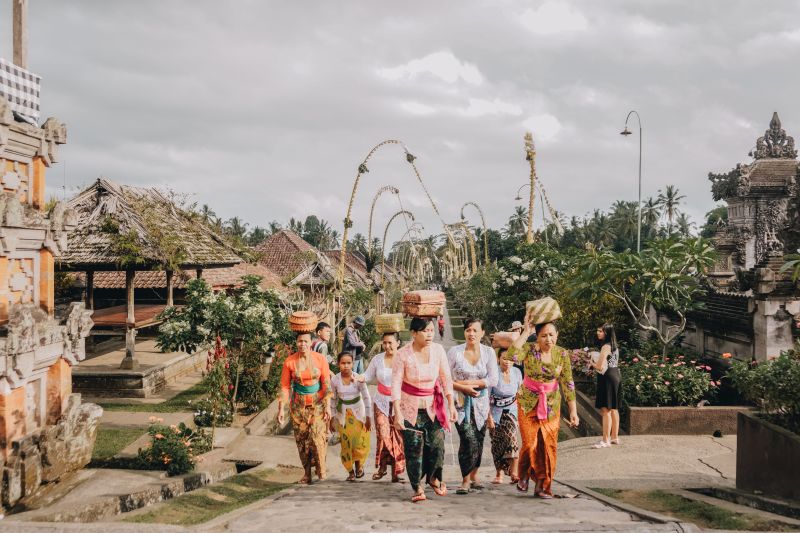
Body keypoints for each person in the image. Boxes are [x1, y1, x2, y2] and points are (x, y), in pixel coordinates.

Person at [506, 307, 579, 498]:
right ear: (537, 337)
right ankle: (523, 475)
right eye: (544, 335)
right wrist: (526, 332)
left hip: (551, 406)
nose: (549, 339)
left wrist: (573, 411)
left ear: (557, 335)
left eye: (552, 335)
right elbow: (511, 356)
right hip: (528, 402)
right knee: (530, 443)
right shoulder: (529, 350)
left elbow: (568, 383)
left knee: (547, 447)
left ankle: (542, 486)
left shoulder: (562, 354)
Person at [392, 317, 457, 503]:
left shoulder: (438, 351)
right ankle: (417, 487)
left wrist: (451, 404)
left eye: (431, 330)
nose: (429, 334)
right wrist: (397, 412)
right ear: (413, 333)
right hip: (409, 409)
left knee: (437, 446)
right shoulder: (403, 354)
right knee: (413, 450)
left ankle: (434, 478)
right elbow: (395, 384)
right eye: (424, 331)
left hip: (433, 408)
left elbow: (446, 379)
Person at [447, 318, 498, 494]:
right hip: (461, 402)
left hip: (481, 403)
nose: (472, 334)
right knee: (467, 439)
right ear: (464, 332)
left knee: (478, 439)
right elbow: (444, 378)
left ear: (482, 333)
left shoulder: (489, 352)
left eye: (476, 330)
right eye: (468, 330)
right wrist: (462, 386)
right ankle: (465, 479)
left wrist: (472, 382)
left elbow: (493, 379)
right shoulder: (455, 352)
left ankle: (475, 474)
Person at [278, 331, 332, 484]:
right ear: (296, 342)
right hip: (298, 407)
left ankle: (321, 470)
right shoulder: (290, 361)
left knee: (317, 437)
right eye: (300, 341)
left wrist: (328, 406)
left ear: (311, 343)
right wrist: (281, 409)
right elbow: (284, 386)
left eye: (305, 341)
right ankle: (307, 473)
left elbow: (326, 383)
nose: (303, 344)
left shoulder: (320, 359)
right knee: (302, 440)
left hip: (317, 404)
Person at [363, 332, 406, 482]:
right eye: (385, 343)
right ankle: (382, 467)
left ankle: (396, 471)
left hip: (399, 404)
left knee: (398, 437)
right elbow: (367, 376)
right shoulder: (377, 359)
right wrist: (356, 377)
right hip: (381, 402)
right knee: (383, 433)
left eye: (390, 343)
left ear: (398, 343)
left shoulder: (403, 359)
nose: (387, 346)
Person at [330, 352, 372, 481]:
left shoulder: (358, 379)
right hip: (343, 415)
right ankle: (350, 471)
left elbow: (366, 397)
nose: (346, 366)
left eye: (349, 363)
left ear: (353, 364)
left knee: (358, 442)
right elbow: (332, 399)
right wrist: (332, 418)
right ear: (338, 364)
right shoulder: (335, 380)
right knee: (346, 444)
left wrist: (369, 417)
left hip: (359, 414)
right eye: (343, 363)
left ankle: (359, 466)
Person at [488, 346, 523, 485]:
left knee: (512, 439)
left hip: (512, 412)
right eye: (504, 358)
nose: (507, 361)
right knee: (497, 444)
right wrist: (488, 417)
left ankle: (514, 472)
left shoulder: (517, 372)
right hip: (495, 413)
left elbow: (520, 393)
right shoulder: (493, 373)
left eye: (510, 358)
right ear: (498, 359)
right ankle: (499, 473)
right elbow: (486, 396)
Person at [592, 323, 622, 448]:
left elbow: (599, 366)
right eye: (598, 330)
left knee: (605, 410)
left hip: (607, 377)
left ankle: (605, 440)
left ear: (607, 333)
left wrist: (591, 363)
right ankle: (614, 437)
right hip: (616, 374)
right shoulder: (615, 346)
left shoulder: (605, 346)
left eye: (601, 331)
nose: (598, 333)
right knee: (614, 408)